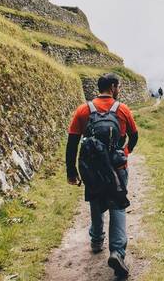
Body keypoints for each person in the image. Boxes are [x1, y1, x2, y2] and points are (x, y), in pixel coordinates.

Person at [66, 73, 139, 277]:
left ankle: (97, 239)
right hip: (117, 168)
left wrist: (71, 171)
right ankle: (117, 252)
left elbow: (72, 142)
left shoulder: (83, 110)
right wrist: (126, 152)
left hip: (93, 168)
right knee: (118, 206)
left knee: (96, 201)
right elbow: (134, 136)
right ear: (113, 87)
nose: (119, 90)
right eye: (119, 86)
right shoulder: (122, 109)